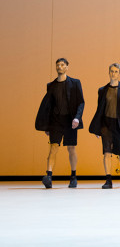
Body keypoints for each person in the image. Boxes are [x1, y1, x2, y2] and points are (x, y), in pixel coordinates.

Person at [35, 58, 85, 189]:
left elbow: (81, 102)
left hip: (71, 121)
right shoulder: (51, 85)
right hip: (56, 121)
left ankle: (73, 176)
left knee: (71, 148)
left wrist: (77, 118)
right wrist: (46, 125)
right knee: (53, 147)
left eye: (62, 65)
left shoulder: (75, 83)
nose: (59, 67)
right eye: (57, 65)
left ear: (67, 67)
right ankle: (49, 177)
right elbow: (48, 106)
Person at [88, 63, 120, 189]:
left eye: (116, 71)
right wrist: (97, 127)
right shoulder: (102, 90)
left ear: (119, 73)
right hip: (106, 124)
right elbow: (100, 110)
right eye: (111, 71)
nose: (113, 73)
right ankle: (108, 180)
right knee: (107, 152)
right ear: (109, 72)